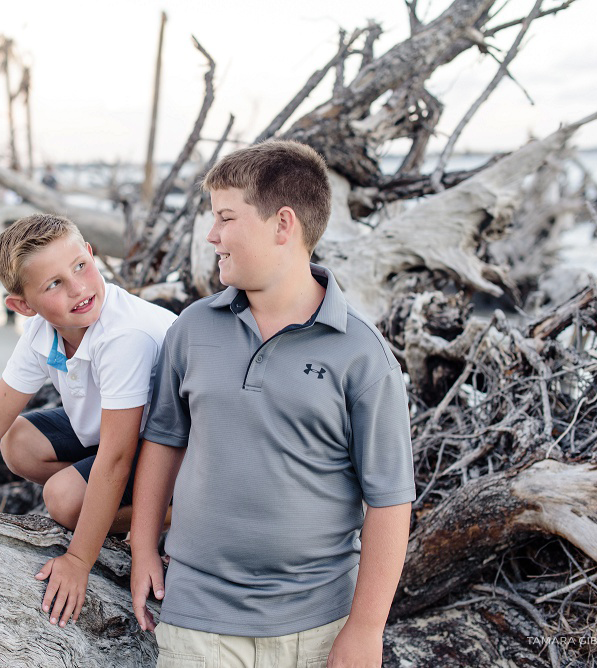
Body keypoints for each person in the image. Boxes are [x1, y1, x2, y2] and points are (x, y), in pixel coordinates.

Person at [130, 140, 415, 667]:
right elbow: (164, 440)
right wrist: (143, 546)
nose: (212, 235)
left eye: (225, 218)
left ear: (283, 225)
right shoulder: (193, 329)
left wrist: (367, 628)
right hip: (197, 614)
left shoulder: (362, 353)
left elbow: (390, 499)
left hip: (319, 622)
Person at [0, 213, 176, 629]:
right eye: (54, 284)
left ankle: (169, 512)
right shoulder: (44, 332)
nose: (78, 287)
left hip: (179, 449)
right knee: (18, 441)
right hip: (121, 432)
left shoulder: (124, 336)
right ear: (23, 306)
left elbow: (116, 457)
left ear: (91, 255)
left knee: (62, 500)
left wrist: (79, 559)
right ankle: (110, 503)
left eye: (80, 266)